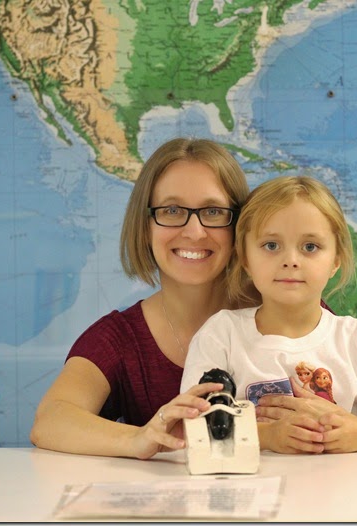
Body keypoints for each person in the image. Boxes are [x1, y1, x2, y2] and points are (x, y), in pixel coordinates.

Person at [180, 175, 357, 453]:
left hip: (346, 481)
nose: (291, 260)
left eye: (310, 247)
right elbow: (191, 424)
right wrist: (266, 436)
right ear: (245, 258)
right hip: (258, 481)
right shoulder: (222, 334)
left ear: (336, 260)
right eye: (271, 245)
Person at [29, 137, 252, 459]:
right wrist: (141, 437)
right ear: (144, 226)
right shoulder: (119, 339)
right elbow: (51, 420)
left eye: (214, 211)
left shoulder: (291, 312)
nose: (195, 232)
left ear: (238, 225)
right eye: (172, 210)